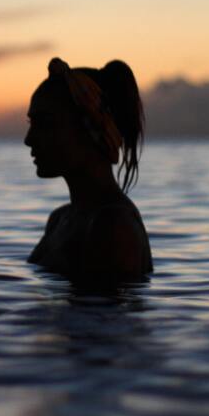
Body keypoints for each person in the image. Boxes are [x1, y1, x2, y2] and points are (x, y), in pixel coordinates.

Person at [24, 57, 153, 279]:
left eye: (45, 123)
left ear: (90, 130)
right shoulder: (60, 219)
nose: (29, 139)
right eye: (31, 124)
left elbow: (105, 313)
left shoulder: (113, 227)